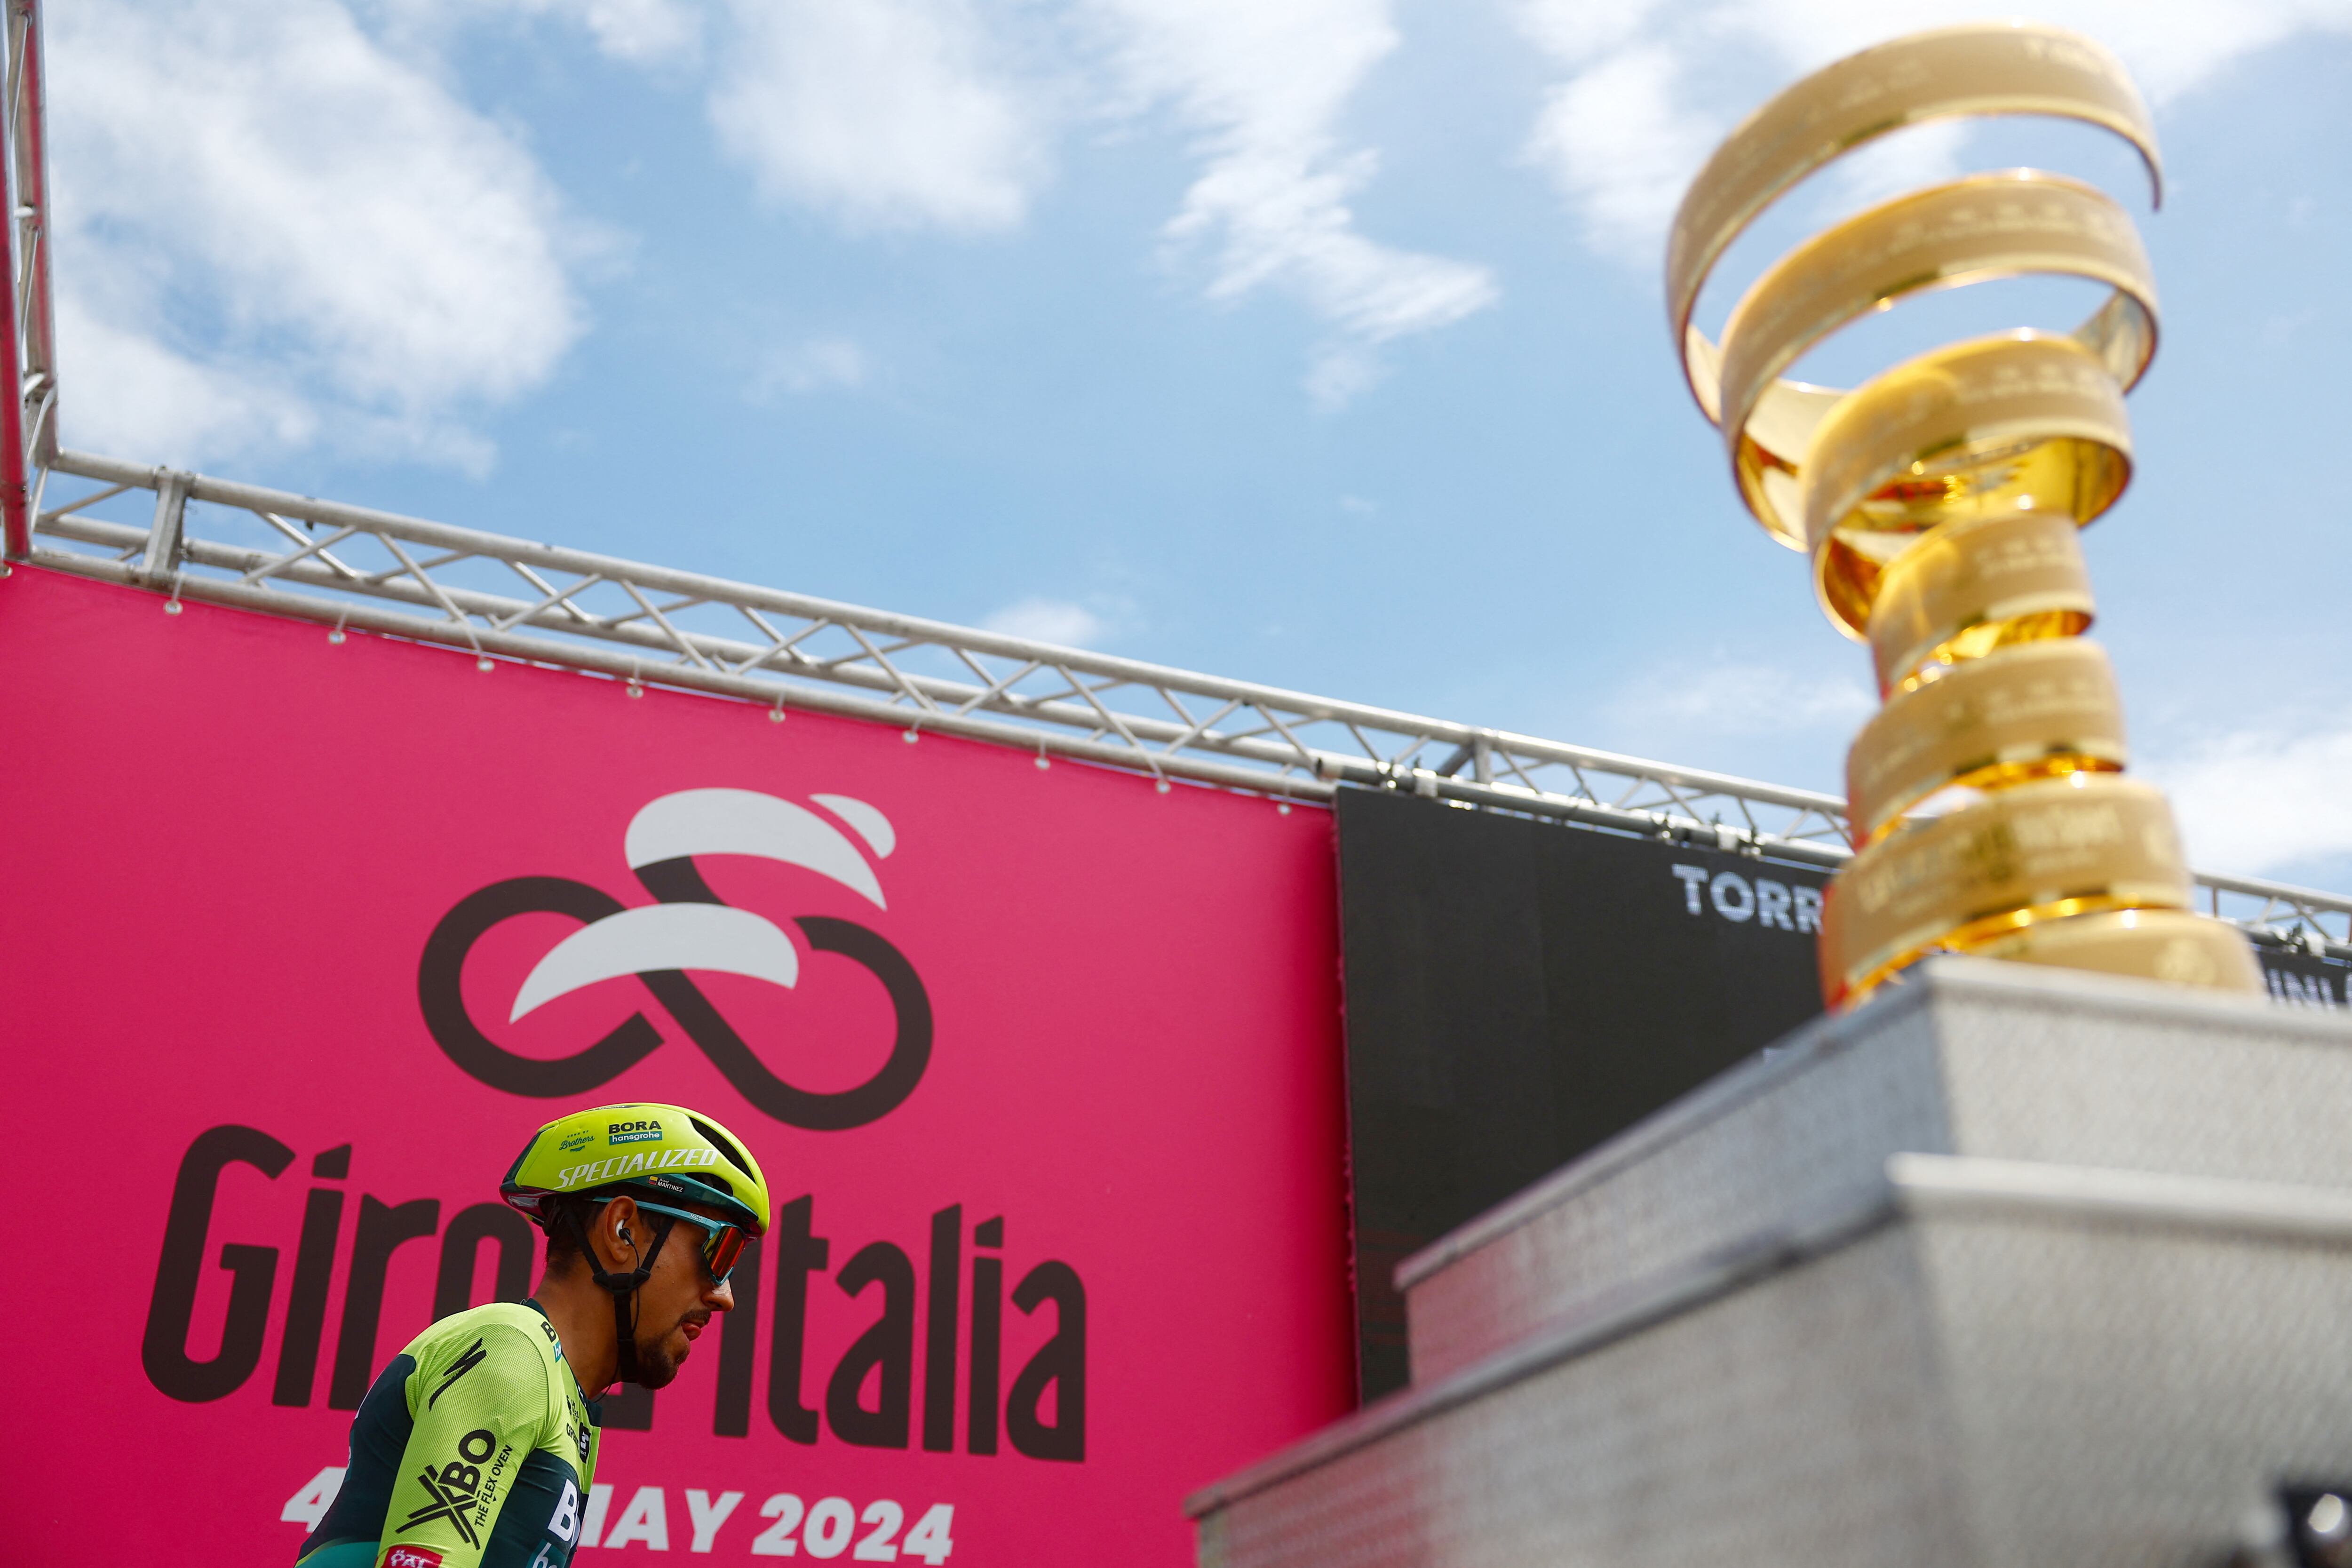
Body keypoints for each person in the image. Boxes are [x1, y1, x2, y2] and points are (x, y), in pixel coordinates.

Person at [295, 1103, 772, 1568]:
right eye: (720, 1250)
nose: (724, 1296)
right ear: (621, 1230)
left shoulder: (565, 1399)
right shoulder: (512, 1348)